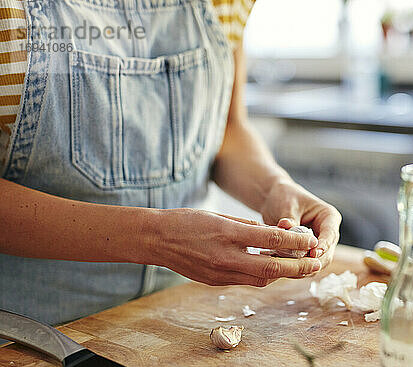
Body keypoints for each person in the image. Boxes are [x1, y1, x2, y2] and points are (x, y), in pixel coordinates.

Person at [0, 0, 341, 325]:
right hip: (28, 335)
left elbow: (226, 130)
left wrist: (273, 188)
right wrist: (155, 238)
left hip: (183, 319)